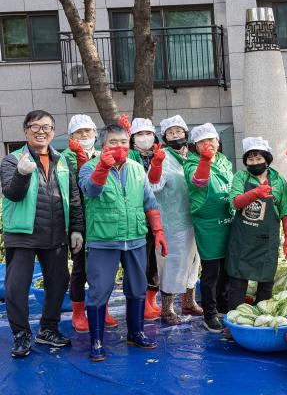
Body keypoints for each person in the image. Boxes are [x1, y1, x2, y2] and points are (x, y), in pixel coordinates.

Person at [78, 123, 168, 361]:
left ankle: (136, 332)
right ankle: (97, 341)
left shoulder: (138, 168)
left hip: (136, 238)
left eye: (123, 142)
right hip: (103, 240)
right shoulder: (88, 168)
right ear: (102, 145)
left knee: (138, 287)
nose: (119, 147)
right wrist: (102, 169)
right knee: (99, 290)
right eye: (113, 142)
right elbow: (91, 191)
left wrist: (158, 230)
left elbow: (149, 201)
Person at [1, 110, 84, 358]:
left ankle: (48, 329)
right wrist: (22, 174)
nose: (41, 131)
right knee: (17, 287)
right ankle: (21, 334)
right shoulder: (12, 160)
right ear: (26, 131)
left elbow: (75, 197)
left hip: (56, 232)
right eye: (35, 127)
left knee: (58, 283)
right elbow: (12, 194)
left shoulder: (63, 160)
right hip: (23, 234)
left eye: (46, 127)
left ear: (52, 131)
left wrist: (77, 229)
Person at [61, 114, 118, 332]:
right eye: (79, 132)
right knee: (80, 268)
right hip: (78, 221)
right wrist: (75, 227)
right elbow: (73, 193)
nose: (85, 135)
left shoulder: (102, 155)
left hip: (102, 221)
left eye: (88, 131)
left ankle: (101, 309)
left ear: (96, 134)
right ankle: (78, 312)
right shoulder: (64, 158)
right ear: (71, 136)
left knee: (105, 268)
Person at [147, 115, 203, 325]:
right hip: (172, 221)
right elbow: (153, 186)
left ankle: (189, 301)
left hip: (196, 219)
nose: (175, 135)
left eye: (179, 131)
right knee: (172, 264)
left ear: (186, 133)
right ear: (164, 137)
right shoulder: (162, 157)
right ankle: (167, 308)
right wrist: (156, 164)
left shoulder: (194, 156)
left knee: (194, 262)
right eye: (170, 133)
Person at [227, 137, 287, 309]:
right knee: (237, 282)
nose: (255, 162)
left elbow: (286, 212)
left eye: (258, 158)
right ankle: (234, 320)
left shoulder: (278, 182)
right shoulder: (240, 177)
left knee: (266, 283)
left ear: (267, 159)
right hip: (243, 240)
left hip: (266, 241)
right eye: (250, 159)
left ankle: (260, 319)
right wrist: (256, 193)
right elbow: (235, 202)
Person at [184, 123, 234, 333]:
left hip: (228, 221)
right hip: (208, 224)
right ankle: (209, 313)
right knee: (211, 270)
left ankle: (223, 307)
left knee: (226, 269)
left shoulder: (224, 162)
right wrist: (204, 160)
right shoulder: (191, 164)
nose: (208, 144)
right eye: (203, 142)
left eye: (211, 140)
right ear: (196, 145)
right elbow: (199, 182)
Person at [128, 118, 162, 320]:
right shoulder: (131, 156)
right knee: (143, 261)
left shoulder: (159, 154)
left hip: (160, 216)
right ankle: (142, 302)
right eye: (139, 134)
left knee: (156, 261)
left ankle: (152, 300)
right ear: (132, 139)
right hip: (138, 217)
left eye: (148, 134)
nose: (145, 138)